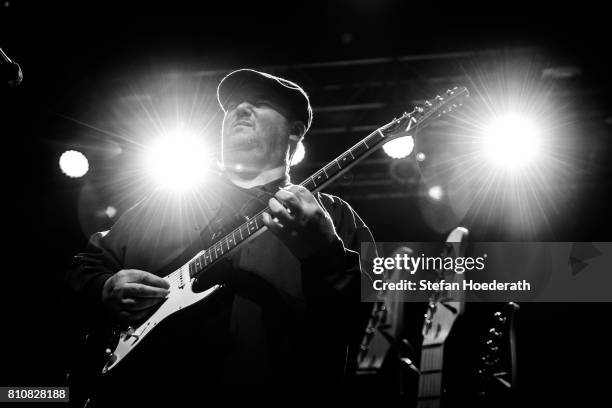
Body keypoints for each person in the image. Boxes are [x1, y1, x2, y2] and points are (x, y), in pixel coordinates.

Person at [64, 69, 375, 405]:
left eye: (260, 102)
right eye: (233, 105)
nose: (240, 109)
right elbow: (82, 268)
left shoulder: (333, 215)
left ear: (295, 131)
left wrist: (325, 256)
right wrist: (104, 288)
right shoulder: (167, 201)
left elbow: (380, 321)